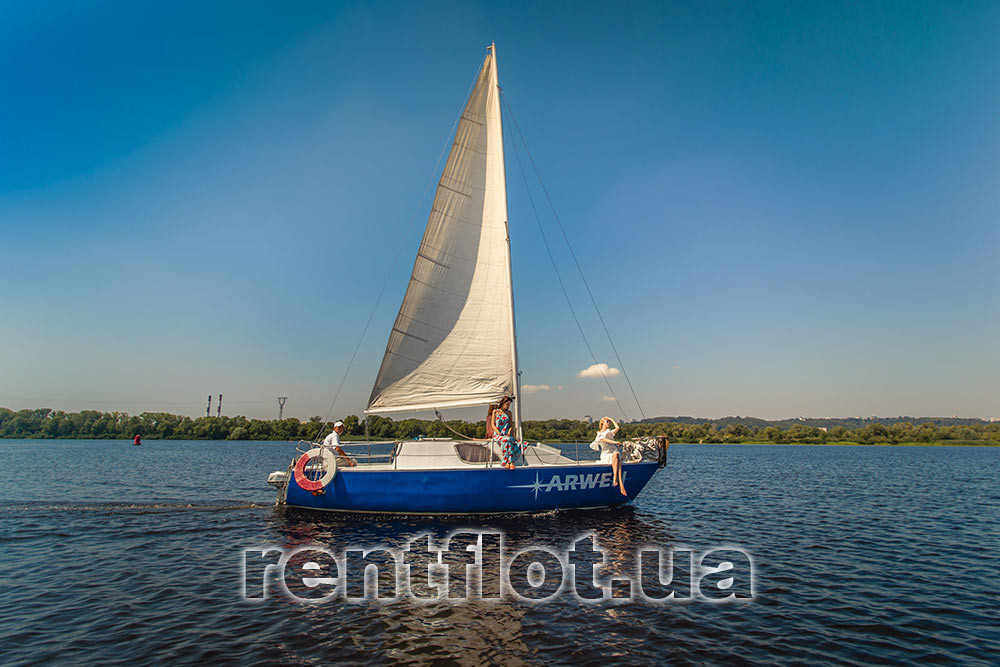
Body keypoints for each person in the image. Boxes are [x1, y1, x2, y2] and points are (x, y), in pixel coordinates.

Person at [591, 416, 626, 496]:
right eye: (607, 421)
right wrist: (615, 442)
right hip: (606, 453)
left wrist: (611, 419)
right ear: (602, 422)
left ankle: (616, 480)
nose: (609, 423)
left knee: (616, 454)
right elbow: (604, 440)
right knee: (617, 456)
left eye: (609, 422)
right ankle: (617, 480)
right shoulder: (599, 434)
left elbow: (617, 428)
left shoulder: (609, 432)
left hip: (614, 451)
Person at [492, 396, 527, 470]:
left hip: (507, 434)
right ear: (503, 403)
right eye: (507, 404)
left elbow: (511, 425)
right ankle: (510, 462)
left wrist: (508, 432)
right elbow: (492, 424)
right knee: (507, 440)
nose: (508, 406)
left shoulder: (509, 413)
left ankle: (508, 462)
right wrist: (498, 432)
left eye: (509, 405)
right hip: (498, 435)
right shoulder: (495, 412)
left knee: (508, 440)